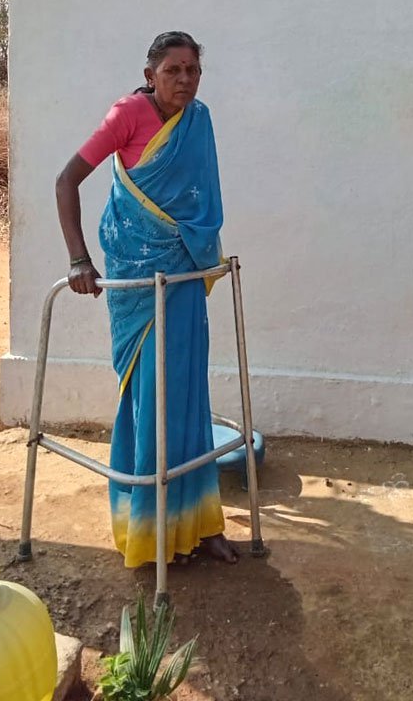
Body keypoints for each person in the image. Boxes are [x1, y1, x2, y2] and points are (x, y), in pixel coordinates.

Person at [55, 31, 238, 567]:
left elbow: (201, 197)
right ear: (150, 73)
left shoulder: (198, 121)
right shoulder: (127, 116)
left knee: (187, 393)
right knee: (151, 396)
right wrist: (77, 260)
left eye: (192, 71)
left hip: (181, 272)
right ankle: (153, 533)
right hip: (138, 278)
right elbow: (67, 180)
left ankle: (202, 527)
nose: (184, 79)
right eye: (173, 70)